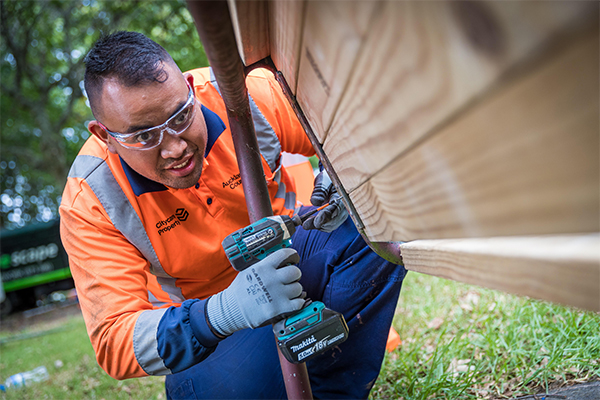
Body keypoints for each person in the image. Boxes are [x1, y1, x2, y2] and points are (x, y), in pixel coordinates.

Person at [59, 31, 406, 400]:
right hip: (216, 331)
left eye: (180, 116)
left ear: (190, 88)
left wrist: (344, 172)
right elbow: (116, 339)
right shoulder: (92, 200)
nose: (175, 148)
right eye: (144, 136)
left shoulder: (239, 96)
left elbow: (361, 124)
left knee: (374, 213)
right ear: (105, 135)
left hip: (299, 266)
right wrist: (225, 312)